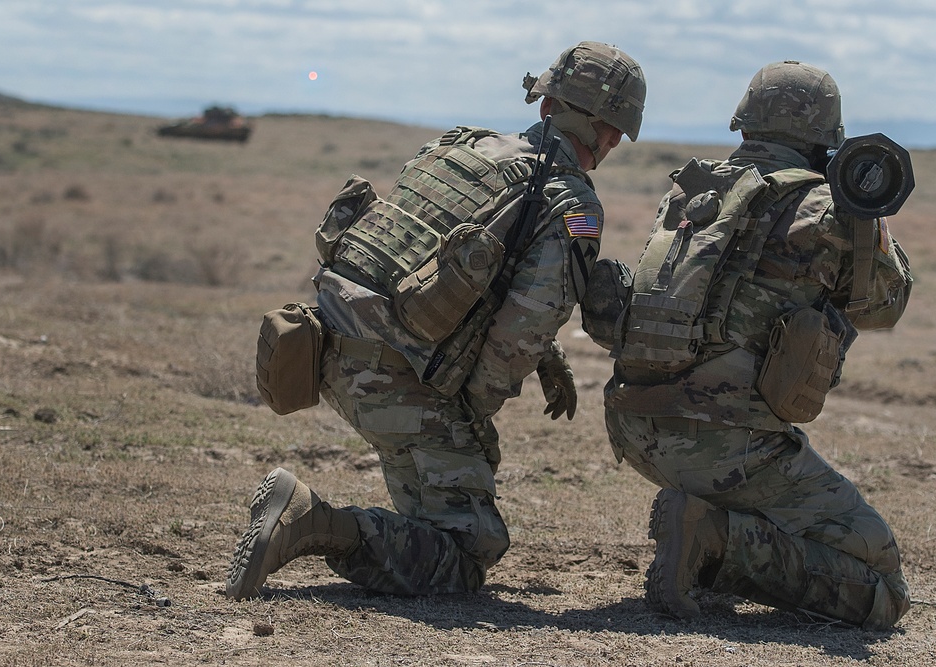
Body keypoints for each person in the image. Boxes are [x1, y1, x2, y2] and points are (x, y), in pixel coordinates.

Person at [226, 41, 647, 599]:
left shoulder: (457, 147)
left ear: (545, 104)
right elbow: (526, 323)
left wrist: (549, 356)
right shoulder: (571, 202)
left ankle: (326, 522)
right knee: (464, 555)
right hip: (400, 381)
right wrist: (472, 410)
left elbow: (456, 266)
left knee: (426, 524)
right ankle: (308, 520)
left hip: (323, 349)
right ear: (608, 130)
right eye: (615, 132)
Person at [583, 60, 913, 630]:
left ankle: (710, 528)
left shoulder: (693, 191)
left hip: (638, 429)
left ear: (745, 123)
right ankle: (714, 540)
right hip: (727, 446)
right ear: (826, 135)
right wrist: (867, 219)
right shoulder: (827, 208)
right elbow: (884, 306)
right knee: (881, 582)